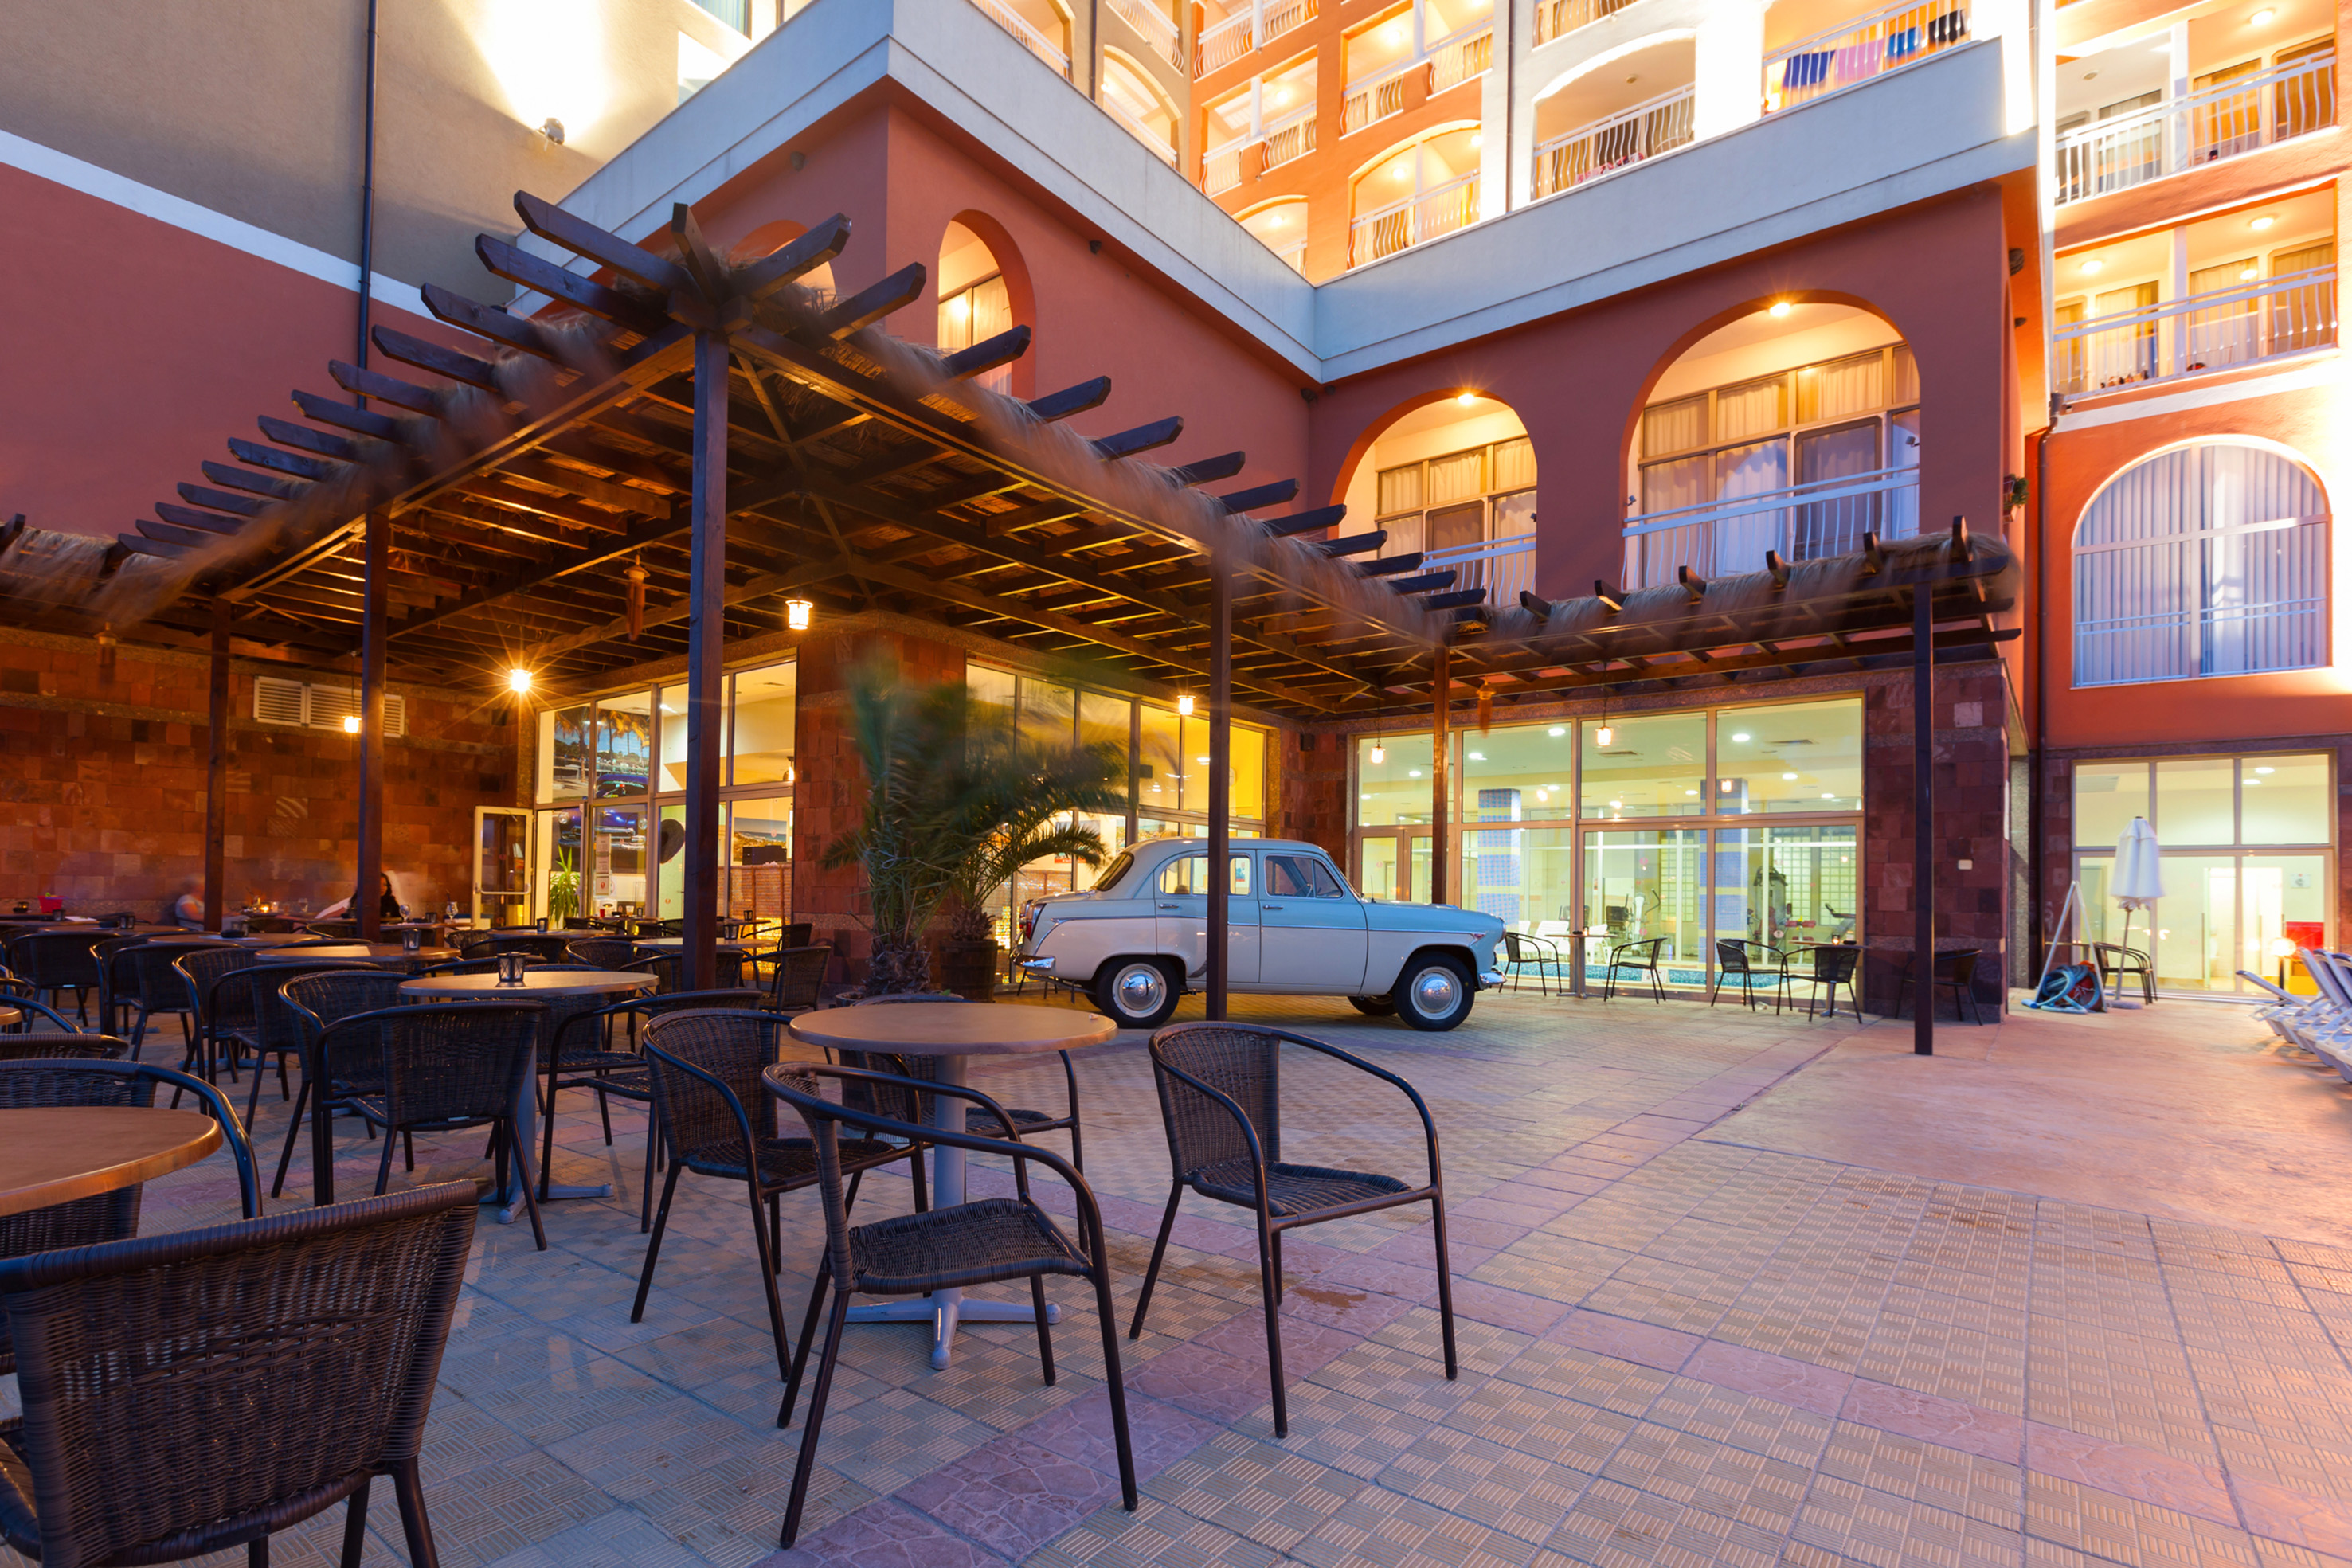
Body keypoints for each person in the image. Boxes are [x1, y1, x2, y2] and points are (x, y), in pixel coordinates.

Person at [319, 872, 403, 922]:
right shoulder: (359, 900)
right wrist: (314, 924)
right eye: (379, 884)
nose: (382, 887)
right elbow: (341, 914)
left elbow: (400, 919)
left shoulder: (391, 901)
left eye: (385, 885)